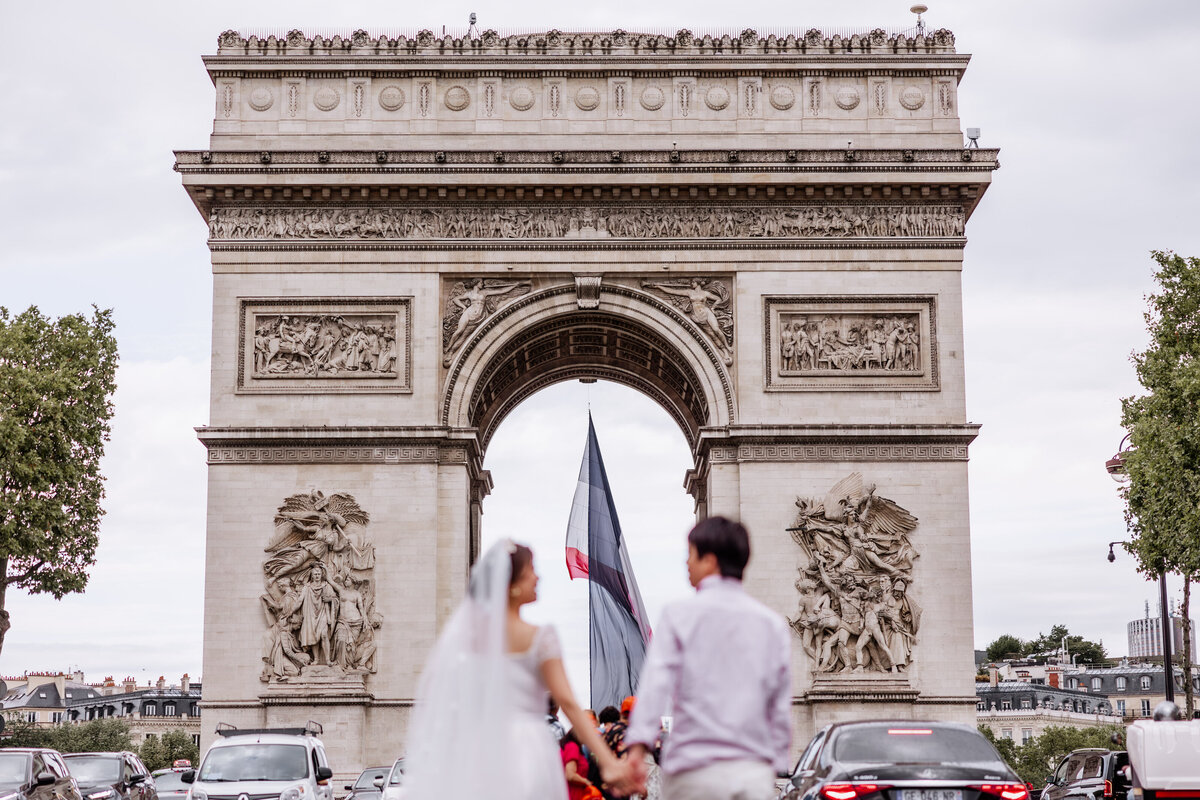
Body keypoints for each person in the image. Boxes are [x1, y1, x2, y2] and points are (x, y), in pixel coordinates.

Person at [402, 540, 638, 800]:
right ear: (512, 586)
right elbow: (569, 704)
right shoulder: (541, 637)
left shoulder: (471, 640)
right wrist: (609, 762)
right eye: (531, 571)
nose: (538, 577)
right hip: (529, 750)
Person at [625, 517, 791, 800]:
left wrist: (638, 748)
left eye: (690, 555)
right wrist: (777, 761)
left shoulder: (677, 616)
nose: (685, 563)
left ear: (710, 561)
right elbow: (779, 702)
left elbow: (654, 687)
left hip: (694, 771)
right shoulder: (772, 624)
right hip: (752, 772)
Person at [561, 727, 598, 800]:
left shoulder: (571, 746)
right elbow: (570, 775)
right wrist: (586, 782)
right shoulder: (573, 746)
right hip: (573, 793)